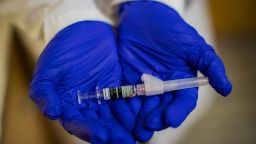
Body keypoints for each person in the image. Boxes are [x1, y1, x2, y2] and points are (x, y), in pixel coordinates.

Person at [0, 0, 232, 143]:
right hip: (57, 31)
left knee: (163, 124)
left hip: (165, 34)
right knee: (98, 132)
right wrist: (67, 13)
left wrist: (152, 2)